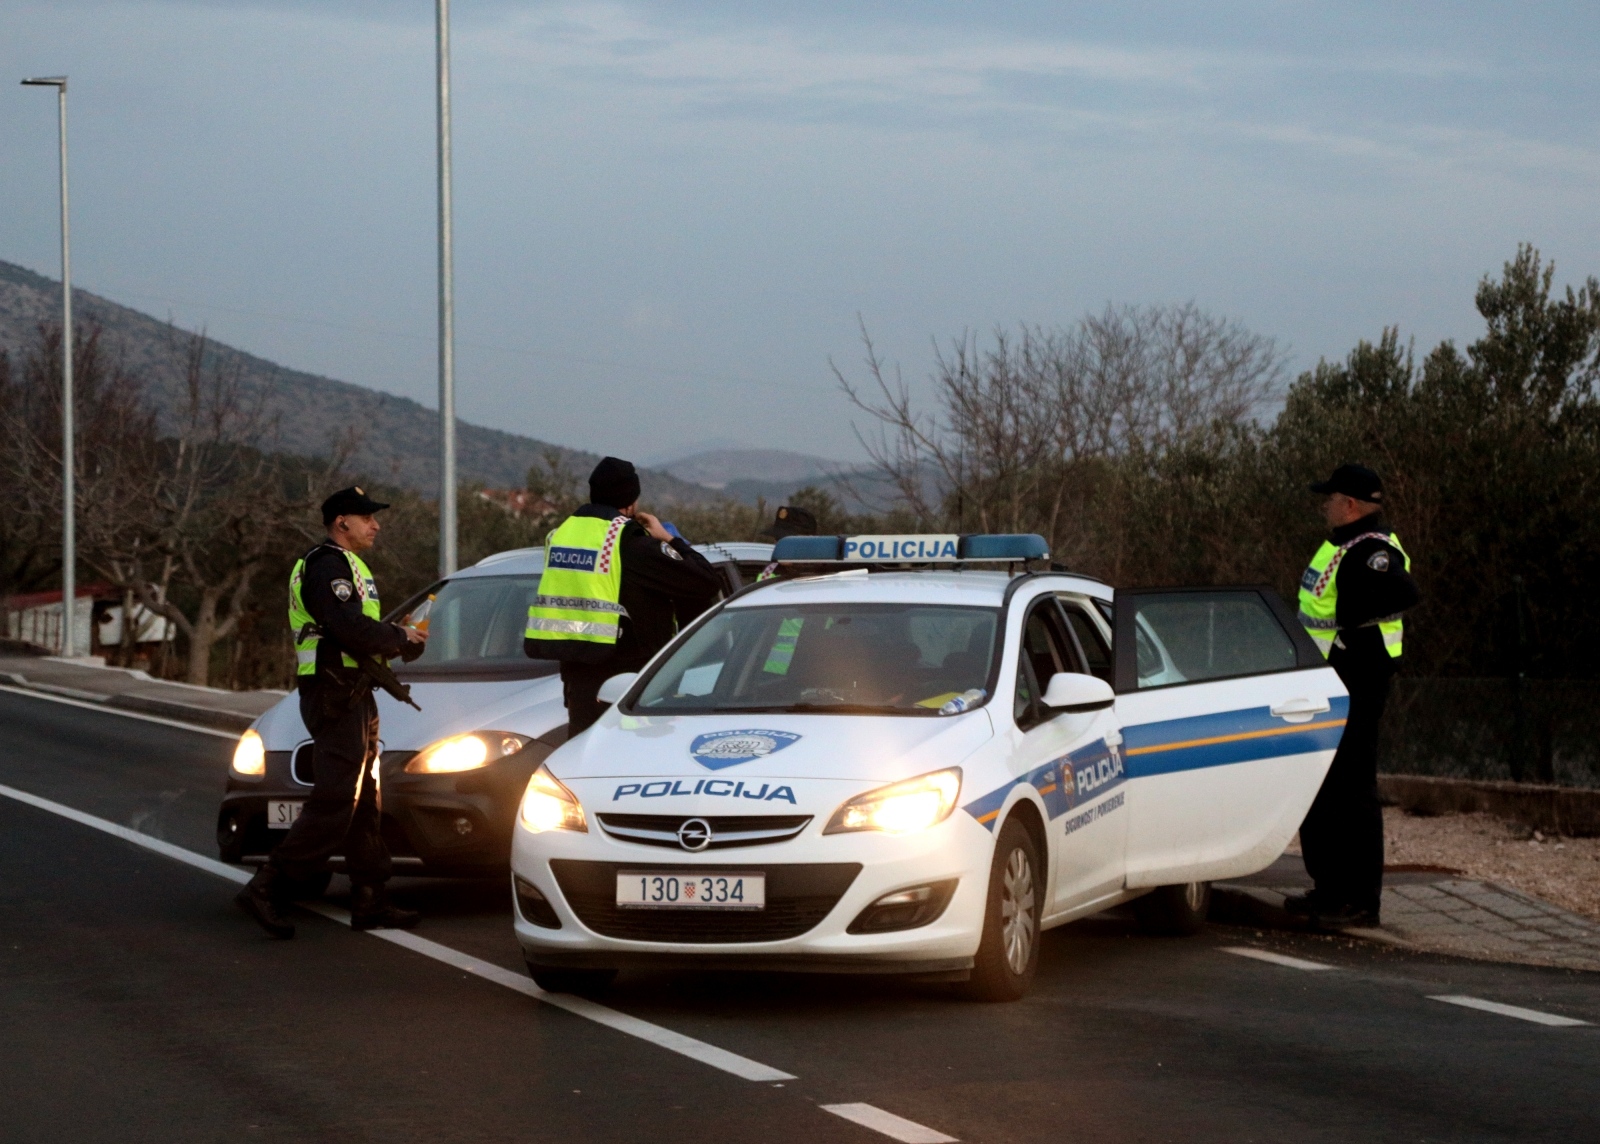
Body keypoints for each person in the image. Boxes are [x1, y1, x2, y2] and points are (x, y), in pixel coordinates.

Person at [235, 487, 428, 940]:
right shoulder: (325, 566)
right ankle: (268, 886)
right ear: (342, 522)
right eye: (367, 518)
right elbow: (346, 627)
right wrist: (398, 637)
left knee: (364, 800)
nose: (375, 525)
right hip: (333, 693)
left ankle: (370, 897)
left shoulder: (351, 566)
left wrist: (402, 642)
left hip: (354, 692)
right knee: (337, 801)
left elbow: (358, 633)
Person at [1286, 464, 1420, 927]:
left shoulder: (1373, 550)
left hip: (1358, 678)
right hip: (1328, 678)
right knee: (1324, 786)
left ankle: (1360, 901)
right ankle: (1329, 891)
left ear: (1350, 504)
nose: (1325, 505)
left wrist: (1349, 622)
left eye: (1330, 498)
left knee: (1353, 788)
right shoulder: (1340, 546)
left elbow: (1404, 591)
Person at [525, 457, 721, 735]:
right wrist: (668, 538)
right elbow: (704, 580)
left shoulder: (561, 535)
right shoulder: (628, 542)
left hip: (578, 680)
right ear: (630, 503)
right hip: (627, 684)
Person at [756, 504, 819, 581]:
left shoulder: (824, 574)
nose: (780, 544)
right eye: (777, 538)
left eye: (787, 540)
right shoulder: (769, 572)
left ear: (808, 541)